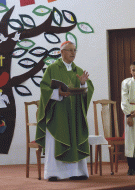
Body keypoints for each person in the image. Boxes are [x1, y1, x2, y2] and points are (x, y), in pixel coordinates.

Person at [35, 41, 94, 181]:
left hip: (74, 115)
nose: (73, 53)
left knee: (74, 138)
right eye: (70, 50)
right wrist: (57, 93)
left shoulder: (78, 70)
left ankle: (76, 172)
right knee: (56, 141)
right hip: (57, 114)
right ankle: (54, 173)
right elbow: (44, 88)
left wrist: (83, 83)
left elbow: (89, 90)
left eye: (74, 50)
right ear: (62, 52)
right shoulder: (52, 69)